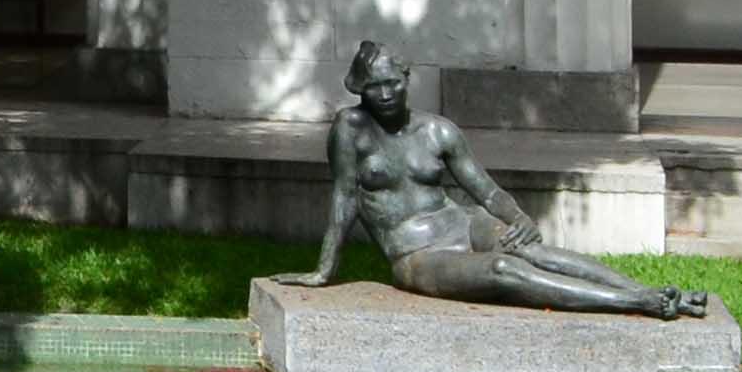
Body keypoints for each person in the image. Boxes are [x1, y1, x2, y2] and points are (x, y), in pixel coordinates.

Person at [288, 41, 711, 319]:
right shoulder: (350, 129)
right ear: (361, 90)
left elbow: (486, 191)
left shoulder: (438, 131)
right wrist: (324, 270)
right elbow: (344, 199)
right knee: (503, 268)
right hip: (415, 253)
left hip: (461, 222)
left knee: (534, 252)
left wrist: (520, 217)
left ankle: (651, 289)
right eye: (374, 87)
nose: (384, 95)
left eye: (392, 84)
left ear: (407, 80)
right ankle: (638, 302)